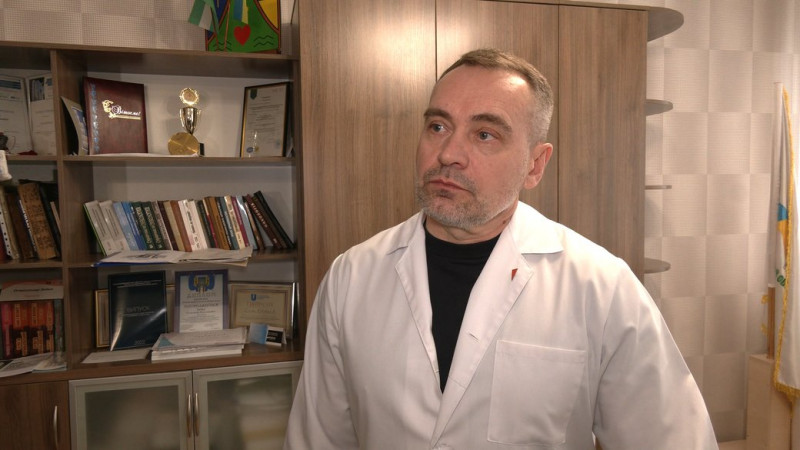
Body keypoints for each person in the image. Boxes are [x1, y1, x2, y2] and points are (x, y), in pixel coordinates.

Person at [284, 48, 717, 449]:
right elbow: (318, 439)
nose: (448, 154)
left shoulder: (601, 287)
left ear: (535, 165)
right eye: (438, 127)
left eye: (485, 134)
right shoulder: (352, 277)